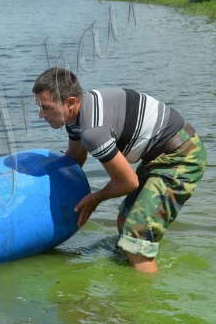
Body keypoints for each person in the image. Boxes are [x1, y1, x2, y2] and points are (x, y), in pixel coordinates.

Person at [33, 68, 207, 274]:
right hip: (159, 155)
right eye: (39, 107)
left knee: (136, 236)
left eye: (46, 108)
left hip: (181, 156)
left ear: (70, 102)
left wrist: (95, 198)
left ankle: (142, 302)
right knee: (125, 220)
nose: (41, 115)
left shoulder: (93, 131)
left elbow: (128, 182)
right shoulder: (77, 116)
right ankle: (135, 270)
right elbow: (75, 158)